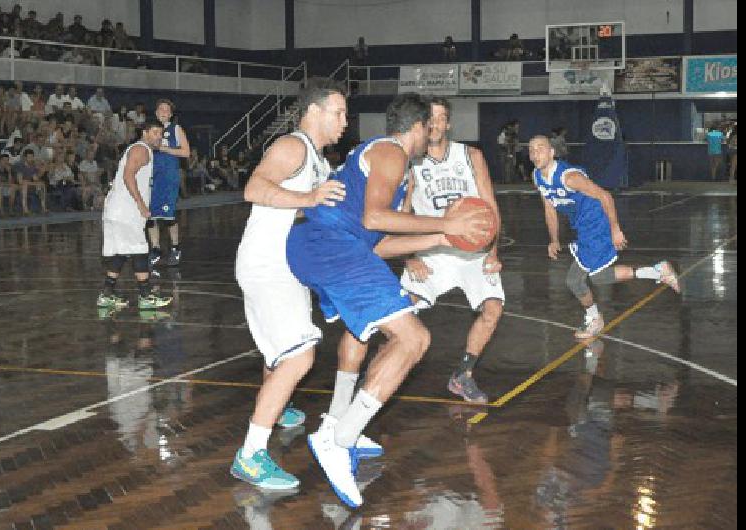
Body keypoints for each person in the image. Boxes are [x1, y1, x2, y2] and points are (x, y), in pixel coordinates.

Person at [286, 93, 489, 507]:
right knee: (413, 339)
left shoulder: (395, 167)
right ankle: (338, 443)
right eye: (430, 126)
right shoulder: (390, 152)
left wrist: (442, 238)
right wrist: (447, 221)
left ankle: (337, 423)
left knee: (364, 334)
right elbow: (374, 219)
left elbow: (377, 243)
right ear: (420, 128)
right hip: (329, 246)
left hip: (328, 246)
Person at [230, 78, 349, 491]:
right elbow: (254, 188)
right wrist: (311, 198)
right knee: (300, 357)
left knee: (279, 350)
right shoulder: (292, 147)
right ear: (313, 111)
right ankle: (251, 455)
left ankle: (276, 408)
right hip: (267, 263)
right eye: (338, 112)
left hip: (287, 265)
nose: (345, 122)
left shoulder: (319, 160)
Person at [528, 135, 680, 339]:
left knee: (574, 280)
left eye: (540, 148)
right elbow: (549, 208)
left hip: (596, 223)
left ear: (551, 152)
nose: (535, 153)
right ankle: (657, 271)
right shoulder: (537, 177)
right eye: (531, 150)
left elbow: (605, 196)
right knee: (599, 277)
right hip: (584, 226)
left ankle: (594, 319)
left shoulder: (569, 177)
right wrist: (554, 239)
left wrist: (614, 229)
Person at [99, 119, 172, 311]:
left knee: (122, 252)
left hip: (116, 209)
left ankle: (106, 294)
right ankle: (146, 295)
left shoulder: (140, 149)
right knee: (140, 250)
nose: (158, 137)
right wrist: (140, 204)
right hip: (126, 210)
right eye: (155, 133)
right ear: (145, 133)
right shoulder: (141, 149)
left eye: (161, 134)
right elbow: (128, 175)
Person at [147, 99, 190, 267]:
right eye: (160, 109)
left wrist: (164, 149)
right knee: (150, 215)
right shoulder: (150, 130)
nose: (163, 112)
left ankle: (175, 247)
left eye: (167, 110)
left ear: (170, 114)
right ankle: (155, 248)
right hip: (153, 176)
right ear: (156, 112)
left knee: (168, 215)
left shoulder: (176, 129)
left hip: (169, 177)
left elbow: (186, 152)